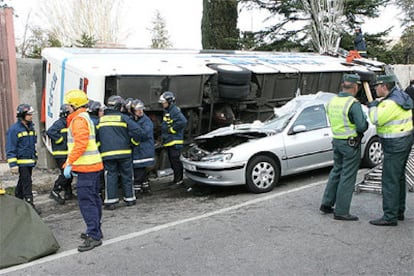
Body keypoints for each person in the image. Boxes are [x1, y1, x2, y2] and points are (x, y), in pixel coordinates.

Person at [320, 74, 368, 221]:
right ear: (355, 87)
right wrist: (365, 124)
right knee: (348, 176)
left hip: (337, 141)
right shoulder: (353, 103)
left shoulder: (332, 101)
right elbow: (361, 126)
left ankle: (326, 204)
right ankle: (341, 211)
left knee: (336, 172)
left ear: (342, 85)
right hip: (350, 143)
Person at [368, 75, 413, 226]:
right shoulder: (400, 96)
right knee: (398, 177)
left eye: (376, 86)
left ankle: (389, 216)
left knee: (389, 179)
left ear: (384, 87)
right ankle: (399, 211)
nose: (375, 89)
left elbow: (376, 119)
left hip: (395, 144)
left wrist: (373, 106)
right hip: (404, 141)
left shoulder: (390, 103)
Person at [63, 89, 104, 252]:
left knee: (87, 202)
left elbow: (81, 144)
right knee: (94, 199)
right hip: (92, 166)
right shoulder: (83, 117)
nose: (66, 107)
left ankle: (93, 235)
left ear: (74, 105)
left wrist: (69, 162)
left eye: (68, 105)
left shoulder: (78, 120)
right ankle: (95, 231)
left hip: (87, 168)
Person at [98, 95, 141, 210]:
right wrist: (133, 142)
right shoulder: (123, 118)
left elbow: (96, 137)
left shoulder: (101, 120)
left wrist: (101, 148)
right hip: (124, 153)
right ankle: (130, 199)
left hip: (107, 154)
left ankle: (111, 201)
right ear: (118, 106)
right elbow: (137, 131)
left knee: (110, 176)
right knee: (127, 175)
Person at [6, 103, 41, 214]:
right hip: (21, 163)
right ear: (22, 115)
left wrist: (34, 157)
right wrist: (13, 164)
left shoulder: (31, 128)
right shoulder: (14, 130)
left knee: (22, 182)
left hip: (29, 162)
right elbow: (10, 147)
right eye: (29, 114)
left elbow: (32, 145)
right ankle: (30, 204)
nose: (31, 116)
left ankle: (17, 202)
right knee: (27, 183)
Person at [159, 91, 188, 187]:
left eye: (164, 102)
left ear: (170, 102)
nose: (162, 104)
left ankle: (179, 181)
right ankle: (176, 180)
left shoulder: (174, 110)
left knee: (175, 162)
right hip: (170, 140)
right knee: (172, 161)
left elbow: (183, 122)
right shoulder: (169, 111)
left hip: (174, 141)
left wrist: (172, 130)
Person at [47, 104, 73, 205]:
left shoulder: (67, 122)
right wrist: (60, 139)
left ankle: (68, 193)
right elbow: (50, 131)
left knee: (68, 173)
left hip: (66, 153)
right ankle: (55, 190)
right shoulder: (60, 123)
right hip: (61, 154)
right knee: (66, 173)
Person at [130, 99, 155, 195]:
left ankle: (137, 189)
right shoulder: (135, 120)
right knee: (142, 171)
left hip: (143, 151)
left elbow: (143, 134)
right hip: (140, 151)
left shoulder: (146, 121)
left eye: (141, 109)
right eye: (138, 110)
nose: (140, 111)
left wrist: (133, 139)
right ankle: (145, 187)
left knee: (139, 171)